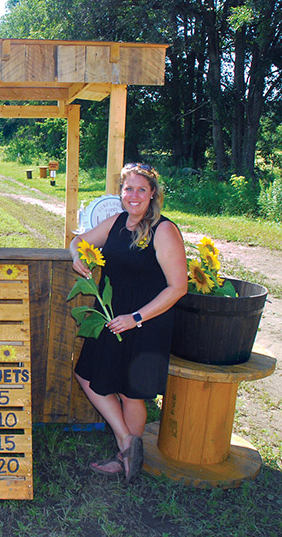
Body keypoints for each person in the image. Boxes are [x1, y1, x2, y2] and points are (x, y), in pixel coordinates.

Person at [69, 162, 187, 483]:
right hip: (111, 316)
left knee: (130, 393)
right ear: (121, 192)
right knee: (87, 376)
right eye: (128, 189)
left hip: (144, 321)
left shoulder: (164, 230)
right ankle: (126, 441)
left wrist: (135, 318)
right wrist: (77, 255)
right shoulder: (117, 222)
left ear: (152, 194)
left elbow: (179, 287)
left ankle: (125, 461)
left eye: (141, 189)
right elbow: (78, 240)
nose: (133, 195)